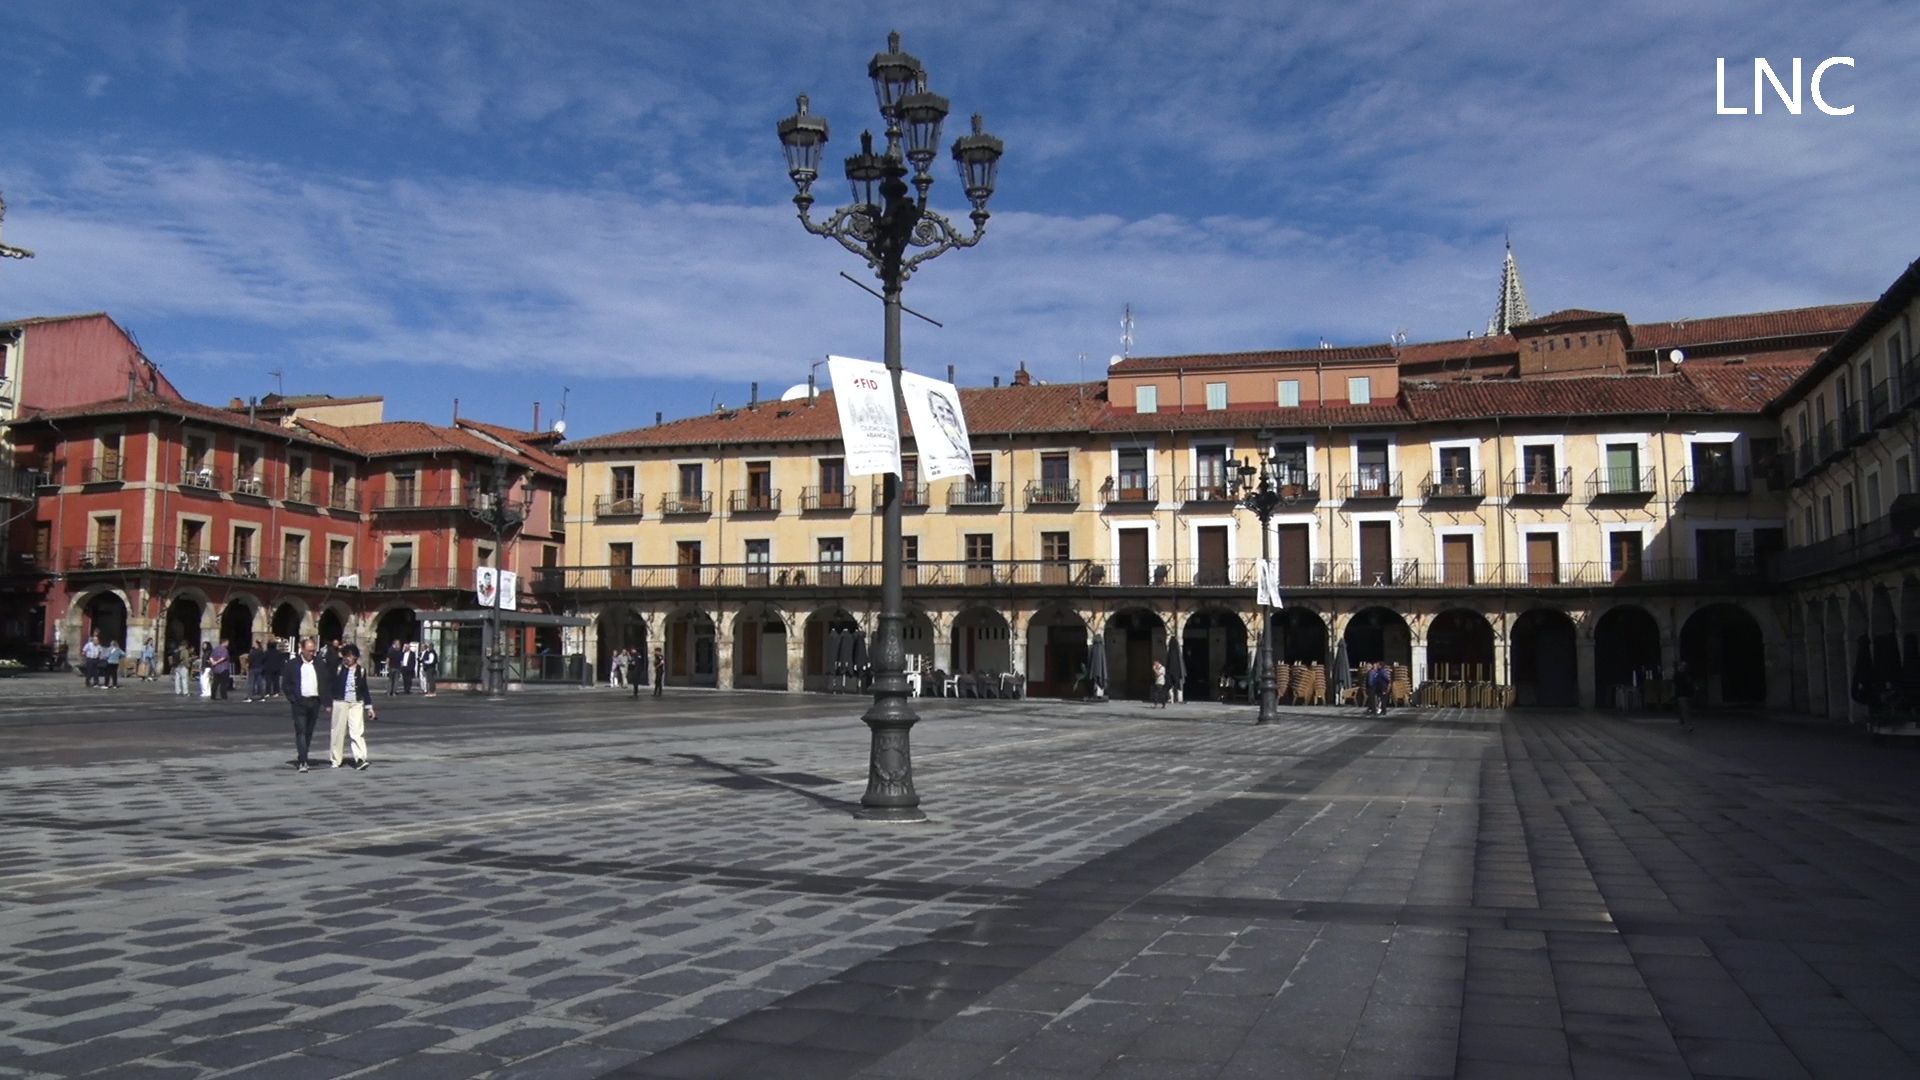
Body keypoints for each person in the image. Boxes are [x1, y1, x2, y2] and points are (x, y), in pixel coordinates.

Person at [282, 638, 329, 773]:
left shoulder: (319, 664)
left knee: (308, 731)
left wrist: (326, 702)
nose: (311, 653)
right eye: (309, 651)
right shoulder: (292, 664)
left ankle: (303, 753)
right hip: (300, 702)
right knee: (301, 731)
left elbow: (325, 683)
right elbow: (286, 684)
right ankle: (303, 760)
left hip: (314, 702)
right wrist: (293, 699)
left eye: (313, 650)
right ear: (301, 649)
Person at [328, 643, 375, 770]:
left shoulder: (361, 670)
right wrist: (329, 703)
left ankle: (360, 758)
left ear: (354, 656)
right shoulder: (338, 668)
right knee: (338, 731)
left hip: (356, 703)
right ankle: (336, 759)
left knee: (357, 731)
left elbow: (364, 689)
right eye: (344, 656)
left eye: (348, 656)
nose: (346, 659)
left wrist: (369, 707)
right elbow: (331, 684)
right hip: (340, 702)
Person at [1675, 661, 1696, 732]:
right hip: (1681, 695)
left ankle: (1682, 720)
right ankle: (1688, 726)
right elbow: (1675, 683)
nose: (1683, 667)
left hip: (1688, 694)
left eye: (1685, 666)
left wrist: (1693, 689)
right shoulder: (1677, 674)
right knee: (1685, 710)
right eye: (1682, 665)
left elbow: (1690, 683)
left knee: (1686, 710)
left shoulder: (1687, 674)